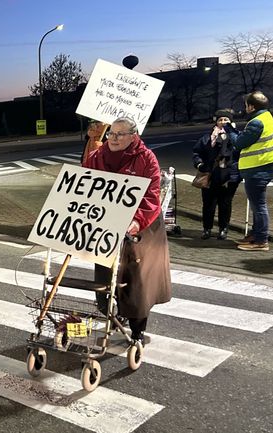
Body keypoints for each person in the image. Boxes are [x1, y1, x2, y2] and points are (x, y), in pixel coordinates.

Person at [83, 116, 172, 345]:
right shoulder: (98, 156)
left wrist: (136, 221)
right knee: (105, 275)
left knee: (136, 281)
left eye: (119, 134)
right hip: (108, 224)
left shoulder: (146, 159)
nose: (112, 138)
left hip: (142, 228)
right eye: (111, 133)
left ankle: (137, 331)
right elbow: (83, 182)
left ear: (133, 136)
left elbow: (151, 197)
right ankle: (111, 314)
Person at [224, 91, 273, 251]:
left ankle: (261, 240)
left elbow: (239, 143)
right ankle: (255, 235)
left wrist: (229, 129)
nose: (245, 108)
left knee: (259, 206)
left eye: (246, 106)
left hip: (258, 169)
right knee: (257, 205)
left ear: (251, 106)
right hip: (263, 167)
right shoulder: (266, 117)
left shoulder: (256, 122)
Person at [192, 109, 241, 240]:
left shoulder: (237, 137)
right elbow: (197, 153)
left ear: (231, 122)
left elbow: (240, 153)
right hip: (210, 175)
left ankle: (223, 229)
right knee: (208, 204)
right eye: (220, 120)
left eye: (226, 120)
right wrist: (199, 165)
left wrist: (232, 134)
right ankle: (207, 229)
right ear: (216, 122)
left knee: (225, 204)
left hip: (228, 176)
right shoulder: (207, 137)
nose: (223, 122)